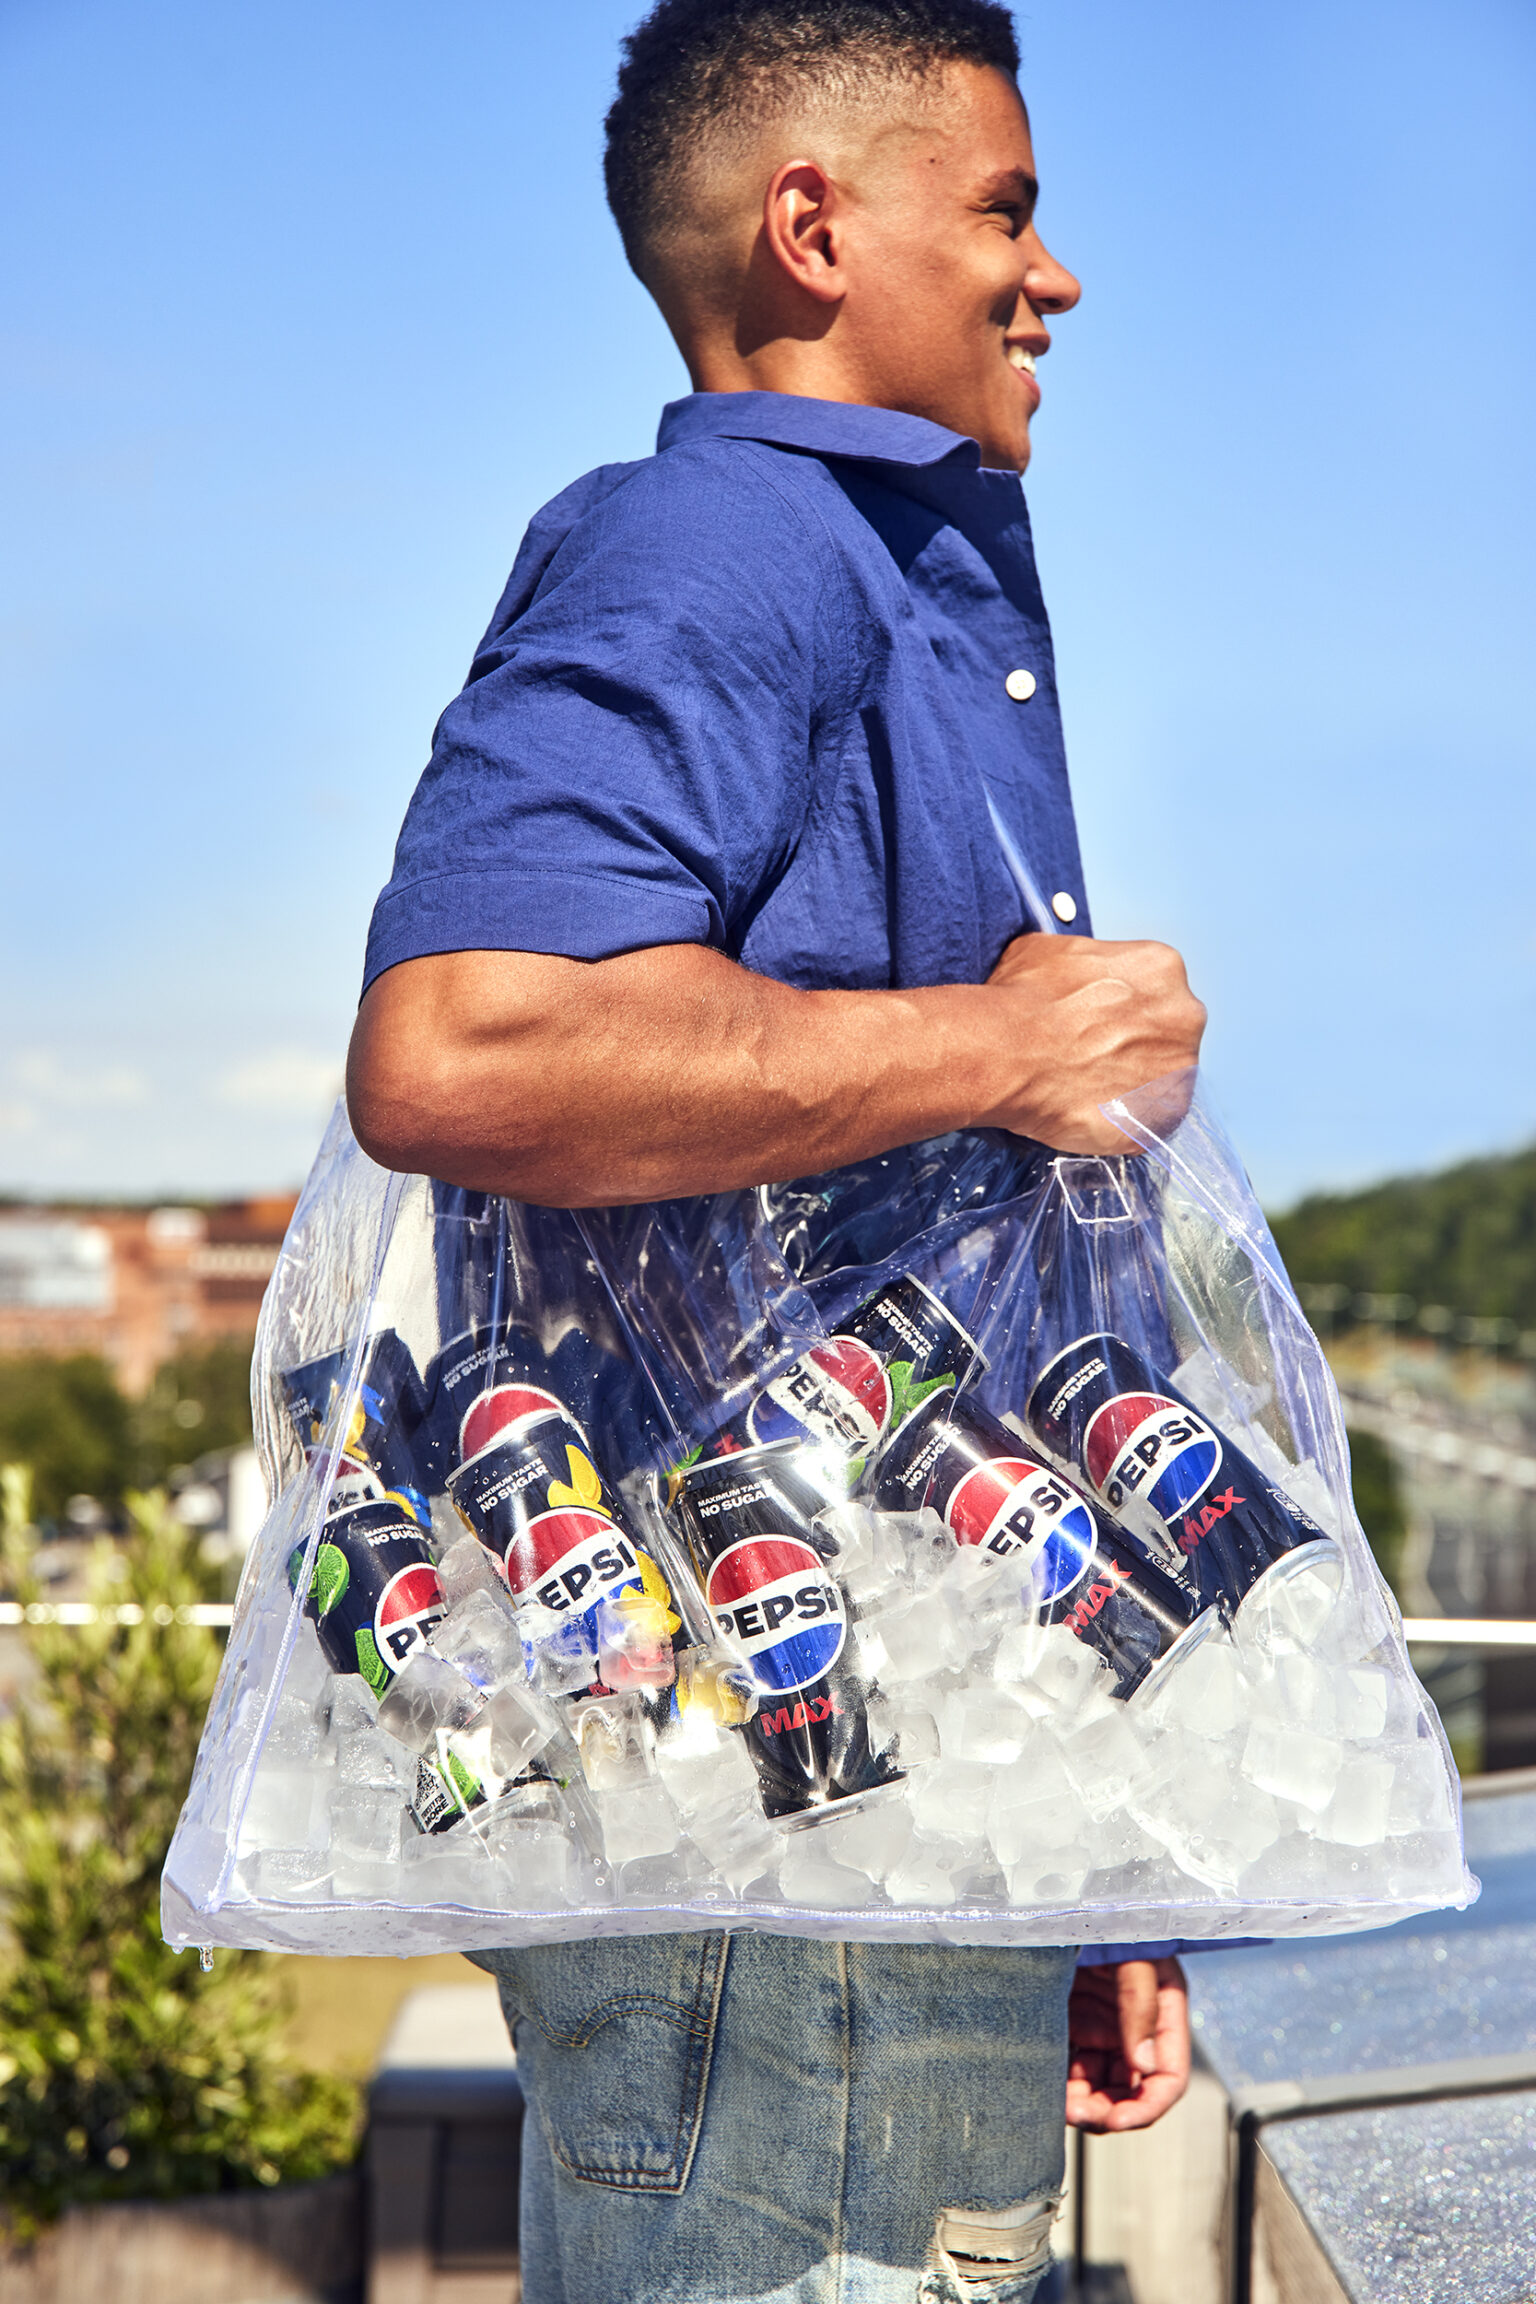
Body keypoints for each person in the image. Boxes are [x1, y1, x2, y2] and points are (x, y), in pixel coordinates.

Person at [349, 3, 1207, 2297]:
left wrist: (1088, 1859)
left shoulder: (845, 570)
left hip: (886, 1829)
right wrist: (1000, 1048)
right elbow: (465, 1044)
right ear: (814, 229)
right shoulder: (733, 548)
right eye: (1009, 209)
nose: (1058, 274)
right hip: (774, 1848)